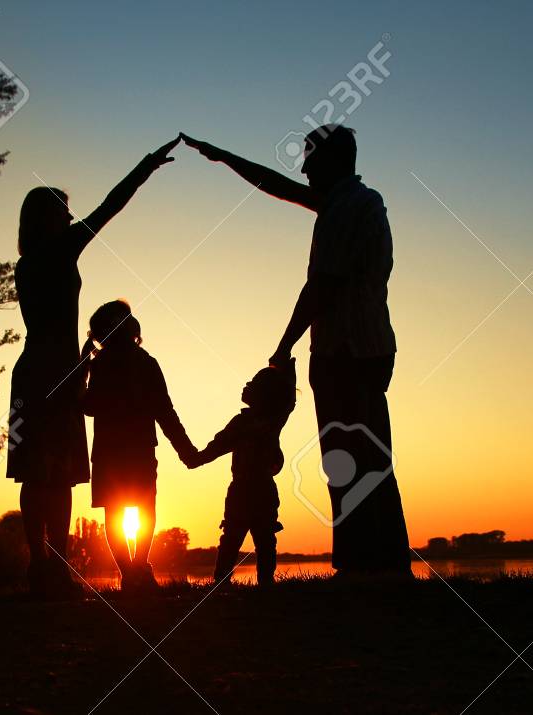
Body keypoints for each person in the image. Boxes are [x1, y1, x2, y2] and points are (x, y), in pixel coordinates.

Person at [181, 126, 410, 575]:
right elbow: (279, 186)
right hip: (368, 347)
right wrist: (224, 156)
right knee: (368, 455)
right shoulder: (354, 202)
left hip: (346, 351)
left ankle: (366, 564)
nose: (303, 170)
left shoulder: (345, 209)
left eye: (310, 160)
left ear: (332, 161)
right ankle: (380, 561)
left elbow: (323, 285)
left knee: (350, 458)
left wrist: (284, 343)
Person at [8, 138, 179, 597]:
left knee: (38, 472)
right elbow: (109, 208)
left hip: (34, 369)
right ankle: (53, 568)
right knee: (56, 473)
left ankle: (43, 566)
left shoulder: (25, 265)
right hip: (56, 372)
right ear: (47, 219)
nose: (70, 219)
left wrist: (83, 358)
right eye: (63, 213)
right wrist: (145, 167)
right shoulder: (60, 251)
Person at [81, 300, 196, 591]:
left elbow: (88, 406)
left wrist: (83, 368)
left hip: (111, 453)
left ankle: (131, 572)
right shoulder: (145, 363)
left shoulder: (103, 364)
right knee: (144, 509)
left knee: (115, 513)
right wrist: (185, 449)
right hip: (138, 451)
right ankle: (137, 569)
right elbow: (165, 411)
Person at [185, 359, 298, 586]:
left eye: (253, 384)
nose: (246, 385)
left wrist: (197, 459)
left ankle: (249, 582)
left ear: (264, 396)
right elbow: (218, 445)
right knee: (245, 538)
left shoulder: (263, 421)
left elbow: (288, 400)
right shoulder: (260, 422)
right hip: (249, 489)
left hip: (252, 489)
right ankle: (236, 581)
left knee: (254, 538)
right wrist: (197, 459)